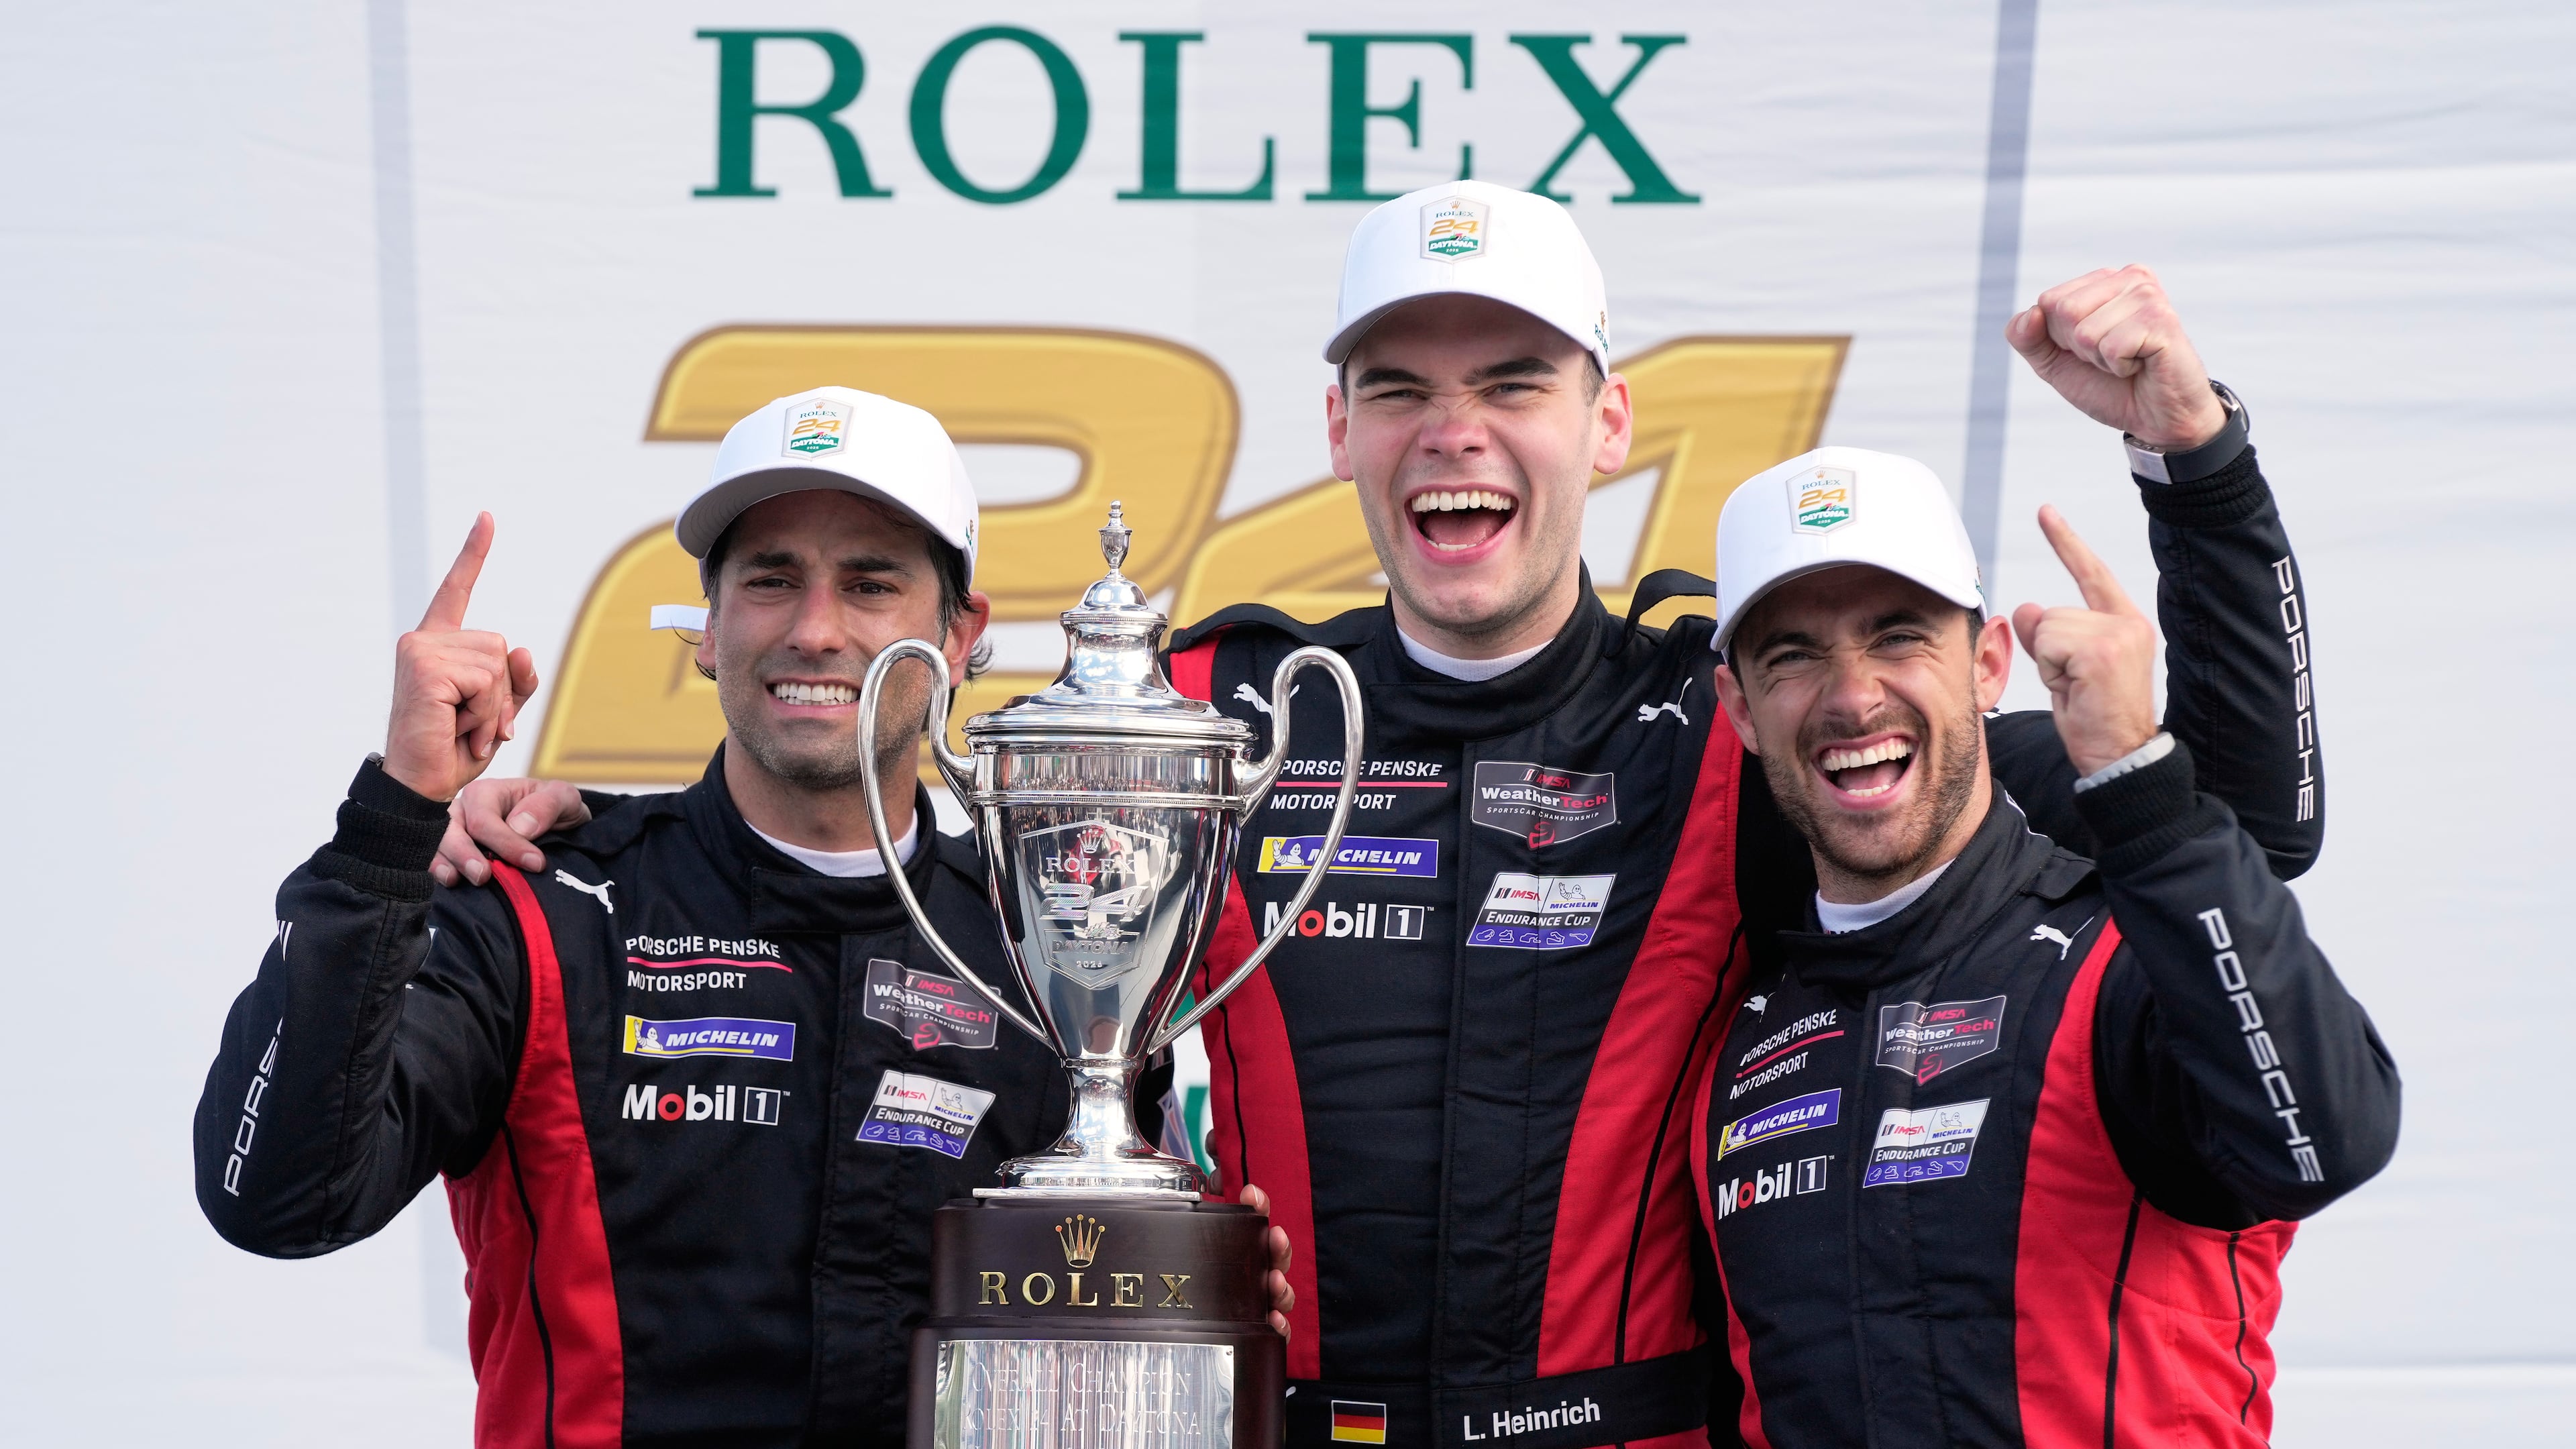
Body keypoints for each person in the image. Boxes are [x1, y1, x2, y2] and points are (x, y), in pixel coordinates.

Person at [449, 183, 2329, 1449]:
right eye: (1405, 387)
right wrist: (583, 836)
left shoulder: (1723, 722)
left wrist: (2199, 465)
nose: (1457, 430)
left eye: (1514, 380)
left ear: (1604, 427)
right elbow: (894, 855)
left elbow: (2241, 833)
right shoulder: (1212, 710)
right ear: (1337, 423)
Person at [193, 386, 1292, 1449]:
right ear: (709, 629)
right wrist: (393, 823)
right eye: (771, 580)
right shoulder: (545, 905)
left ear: (961, 637)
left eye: (870, 586)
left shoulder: (1056, 951)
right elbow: (277, 1200)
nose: (814, 630)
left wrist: (1203, 1296)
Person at [1697, 447, 2396, 1446]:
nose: (1853, 698)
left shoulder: (2126, 969)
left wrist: (2141, 782)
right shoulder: (1744, 1045)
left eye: (1899, 639)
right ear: (1739, 711)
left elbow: (2328, 1140)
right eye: (1794, 657)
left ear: (1988, 666)